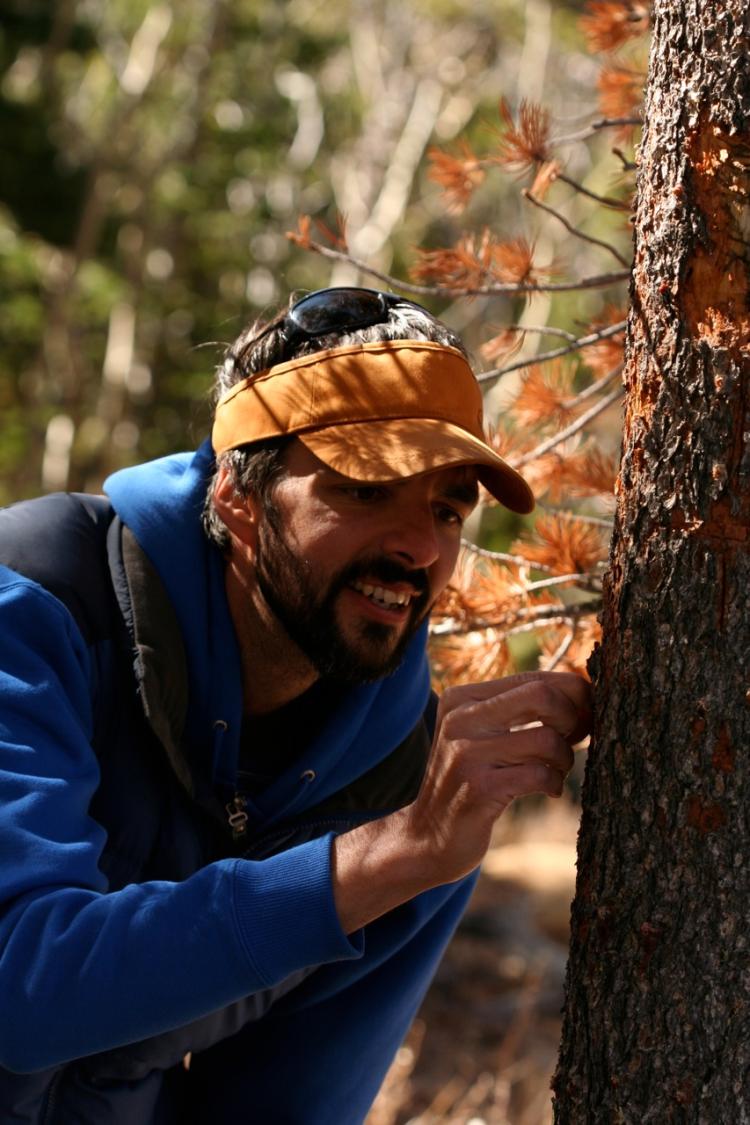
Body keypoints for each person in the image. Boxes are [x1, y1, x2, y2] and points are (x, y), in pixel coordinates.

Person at [0, 287, 590, 1123]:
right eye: (364, 489)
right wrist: (386, 858)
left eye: (447, 509)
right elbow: (21, 985)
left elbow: (286, 1108)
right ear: (236, 494)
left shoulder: (409, 782)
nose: (419, 545)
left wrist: (411, 850)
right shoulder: (38, 604)